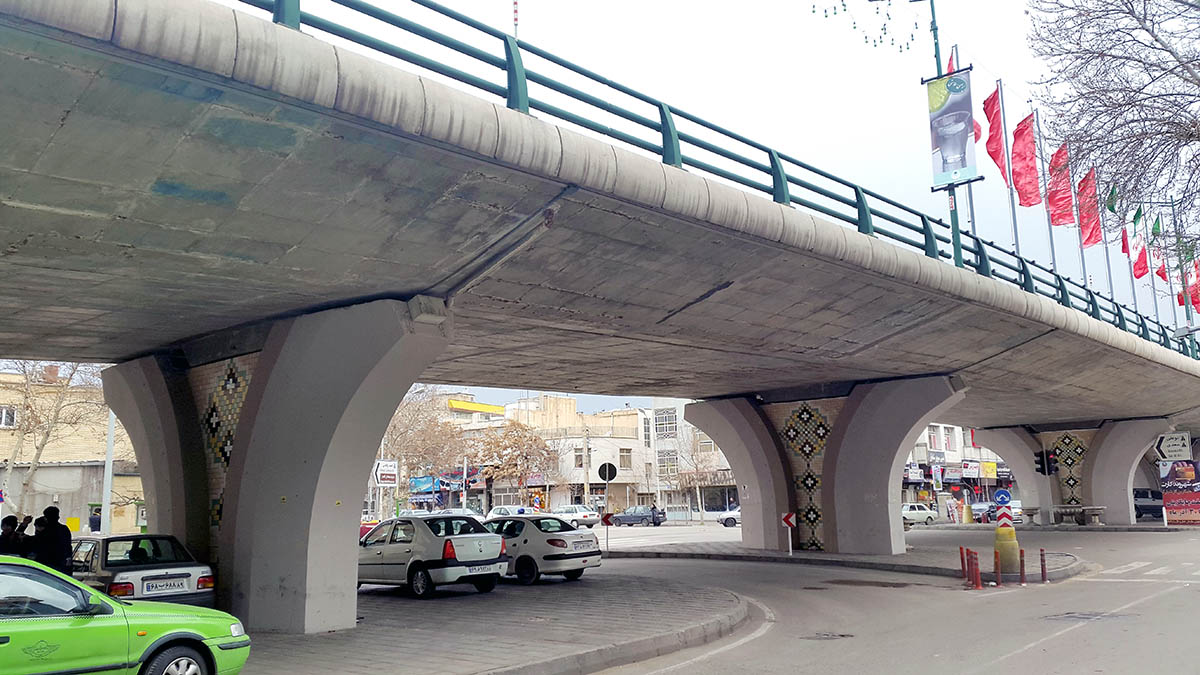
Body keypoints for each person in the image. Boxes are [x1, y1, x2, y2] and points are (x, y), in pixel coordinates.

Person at [32, 506, 73, 574]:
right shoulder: (64, 529)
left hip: (45, 563)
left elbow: (36, 544)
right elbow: (68, 546)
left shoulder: (44, 531)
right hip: (60, 563)